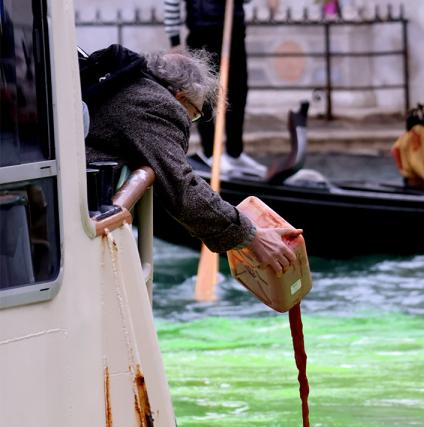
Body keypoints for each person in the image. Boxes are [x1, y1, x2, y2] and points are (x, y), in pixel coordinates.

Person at [85, 48, 298, 272]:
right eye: (195, 114)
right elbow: (183, 187)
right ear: (180, 97)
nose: (189, 120)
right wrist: (251, 236)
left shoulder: (127, 85)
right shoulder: (157, 105)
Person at [163, 0, 264, 175]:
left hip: (235, 29)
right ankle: (211, 153)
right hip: (203, 31)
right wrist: (174, 39)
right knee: (205, 95)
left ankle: (235, 153)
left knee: (238, 93)